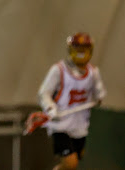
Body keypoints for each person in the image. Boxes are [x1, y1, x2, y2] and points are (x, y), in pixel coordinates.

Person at [37, 32, 106, 170]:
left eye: (84, 49)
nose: (81, 52)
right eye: (77, 48)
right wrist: (50, 108)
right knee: (70, 163)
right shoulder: (59, 70)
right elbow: (44, 93)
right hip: (60, 125)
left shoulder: (93, 72)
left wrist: (99, 97)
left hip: (80, 127)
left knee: (71, 165)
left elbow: (99, 92)